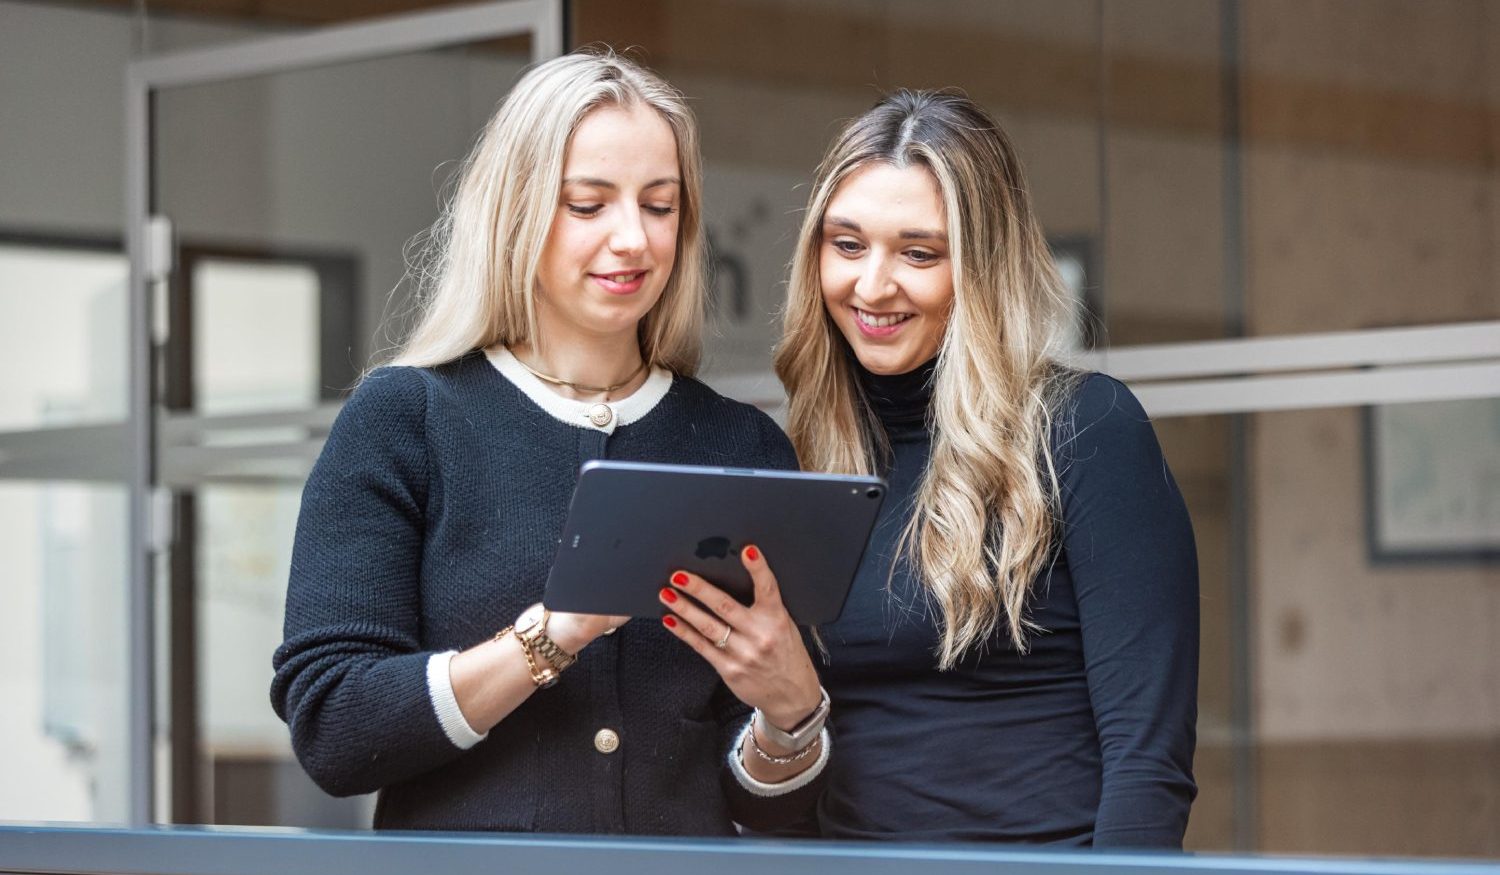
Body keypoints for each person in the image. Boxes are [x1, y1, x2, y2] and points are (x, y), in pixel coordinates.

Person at [270, 50, 828, 835]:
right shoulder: (405, 419)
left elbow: (771, 811)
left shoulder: (742, 443)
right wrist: (551, 635)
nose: (633, 238)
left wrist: (790, 712)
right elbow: (333, 729)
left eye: (660, 206)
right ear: (517, 210)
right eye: (588, 203)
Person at [664, 90, 1199, 847]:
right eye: (847, 245)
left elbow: (1150, 764)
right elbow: (773, 815)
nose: (873, 285)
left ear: (982, 266)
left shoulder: (1084, 430)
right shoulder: (801, 459)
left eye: (919, 253)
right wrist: (785, 715)